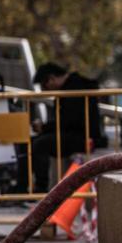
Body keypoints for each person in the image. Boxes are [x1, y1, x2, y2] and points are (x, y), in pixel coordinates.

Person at [17, 62, 107, 192]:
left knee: (40, 144)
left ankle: (40, 189)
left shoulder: (75, 87)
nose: (44, 90)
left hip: (85, 138)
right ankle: (21, 188)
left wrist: (45, 128)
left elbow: (69, 121)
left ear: (52, 78)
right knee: (28, 143)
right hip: (73, 134)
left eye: (44, 86)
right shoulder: (69, 87)